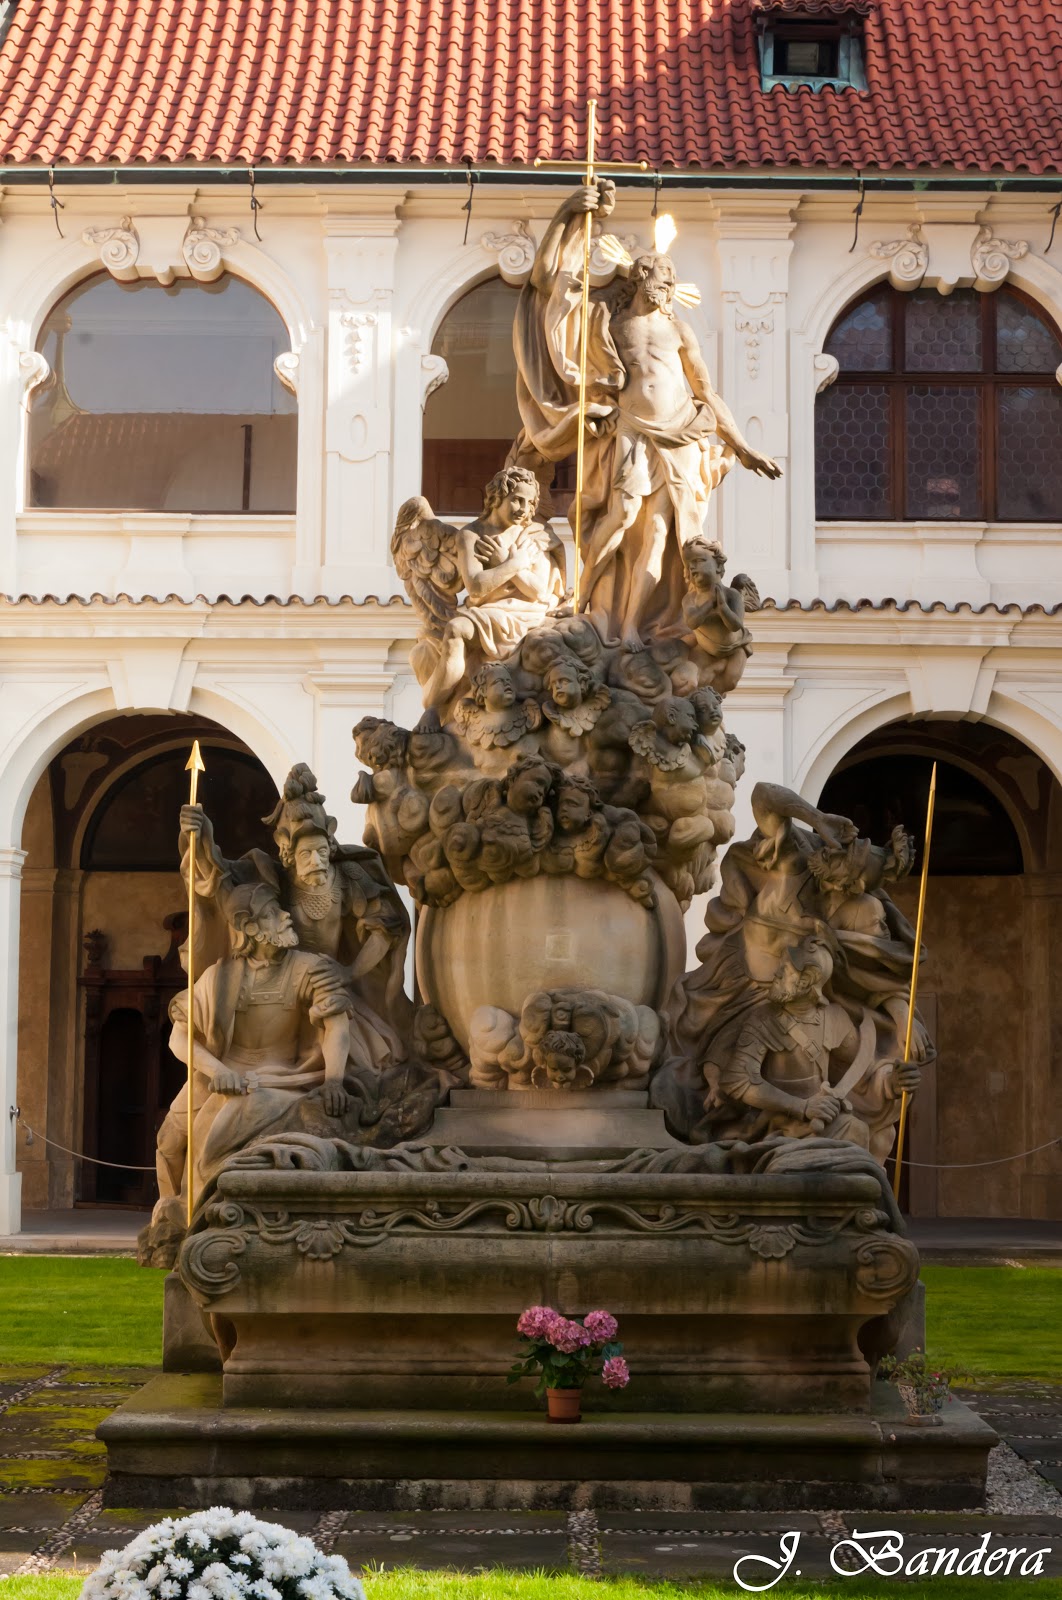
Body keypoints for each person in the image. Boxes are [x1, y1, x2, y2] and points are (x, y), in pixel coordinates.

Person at [510, 182, 780, 646]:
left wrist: (744, 447)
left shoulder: (678, 328)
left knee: (658, 536)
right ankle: (585, 596)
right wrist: (572, 216)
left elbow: (707, 393)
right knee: (617, 519)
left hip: (680, 436)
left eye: (674, 283)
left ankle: (633, 625)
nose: (670, 289)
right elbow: (551, 289)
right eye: (663, 281)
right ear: (640, 280)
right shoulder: (609, 324)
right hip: (632, 435)